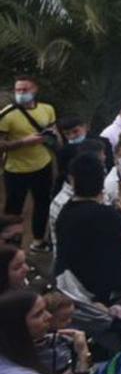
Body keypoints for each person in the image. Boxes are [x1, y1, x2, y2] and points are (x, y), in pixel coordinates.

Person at [53, 154, 121, 304]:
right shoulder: (100, 213)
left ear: (72, 180)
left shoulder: (66, 211)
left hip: (79, 282)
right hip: (104, 289)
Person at [0, 74, 57, 254]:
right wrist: (24, 142)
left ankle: (39, 241)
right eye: (18, 90)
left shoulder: (47, 109)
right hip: (16, 170)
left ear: (35, 89)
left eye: (25, 89)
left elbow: (52, 131)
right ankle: (11, 247)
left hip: (42, 165)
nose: (21, 93)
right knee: (14, 210)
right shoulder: (7, 114)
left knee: (42, 204)